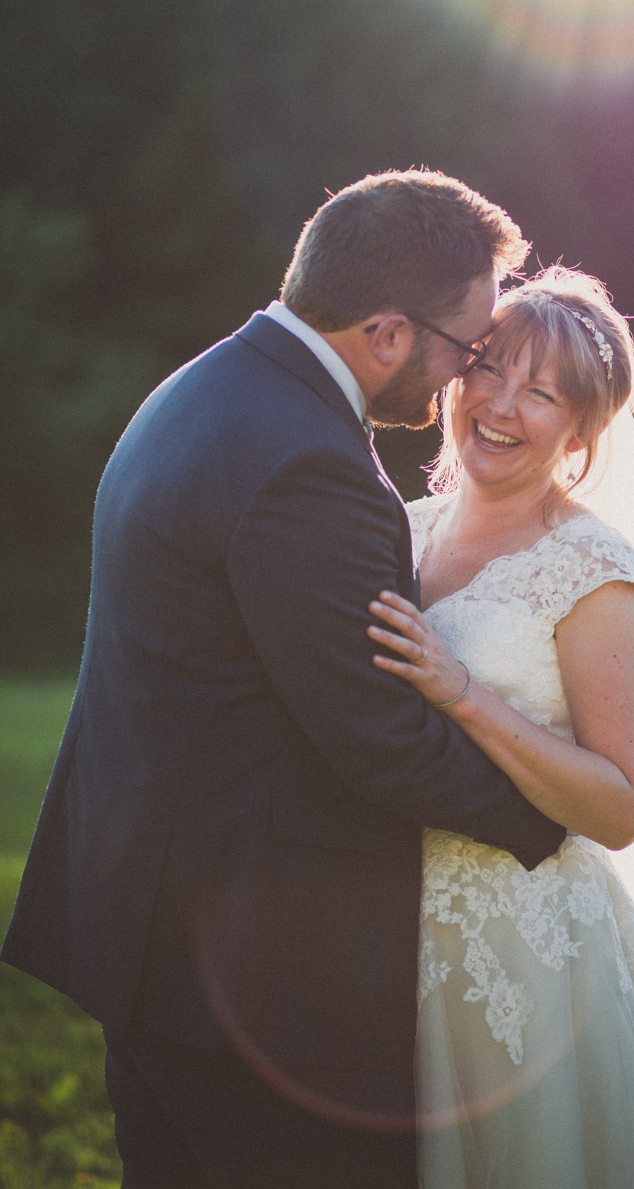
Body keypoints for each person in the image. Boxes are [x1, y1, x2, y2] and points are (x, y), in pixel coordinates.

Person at [1, 171, 565, 1189]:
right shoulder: (307, 463)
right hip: (256, 972)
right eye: (467, 349)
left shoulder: (207, 387)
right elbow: (376, 737)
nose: (463, 380)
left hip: (155, 928)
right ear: (388, 334)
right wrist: (550, 827)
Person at [367, 266, 634, 1189]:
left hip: (528, 958)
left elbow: (618, 807)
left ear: (581, 431)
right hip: (384, 938)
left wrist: (462, 693)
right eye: (490, 372)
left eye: (542, 394)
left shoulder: (592, 571)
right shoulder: (394, 531)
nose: (499, 405)